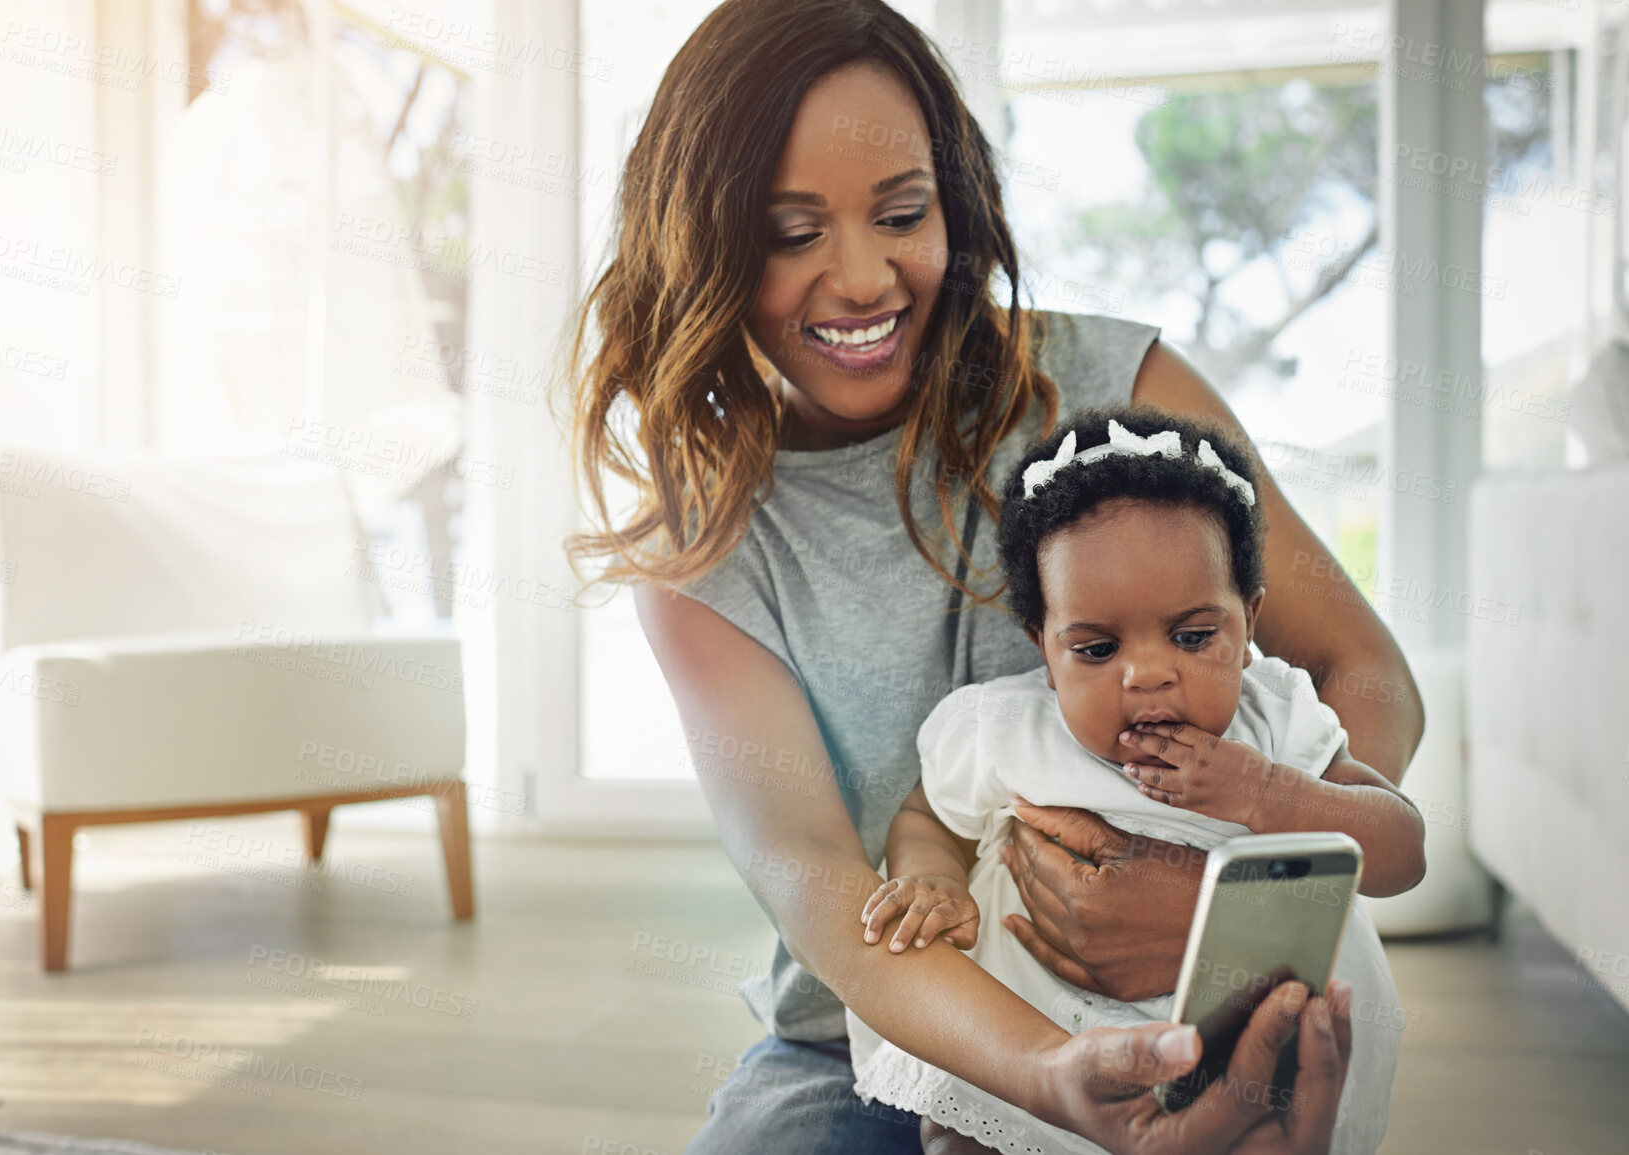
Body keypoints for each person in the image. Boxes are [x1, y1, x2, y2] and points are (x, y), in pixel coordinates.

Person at [560, 1, 1424, 1150]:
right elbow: (815, 877)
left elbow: (1359, 669)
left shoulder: (1121, 394)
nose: (863, 278)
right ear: (707, 243)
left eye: (902, 214)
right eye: (790, 232)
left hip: (1188, 1001)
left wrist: (1242, 917)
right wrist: (1050, 1074)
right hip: (876, 1038)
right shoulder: (698, 551)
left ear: (953, 205)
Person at [845, 405, 1426, 1154]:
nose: (1147, 671)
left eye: (1191, 636)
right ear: (1043, 646)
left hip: (1225, 1044)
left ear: (1247, 625)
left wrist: (1266, 793)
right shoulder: (1003, 727)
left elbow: (1400, 851)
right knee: (967, 1127)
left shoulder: (1274, 724)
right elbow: (928, 814)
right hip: (1032, 1036)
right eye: (1095, 648)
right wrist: (933, 877)